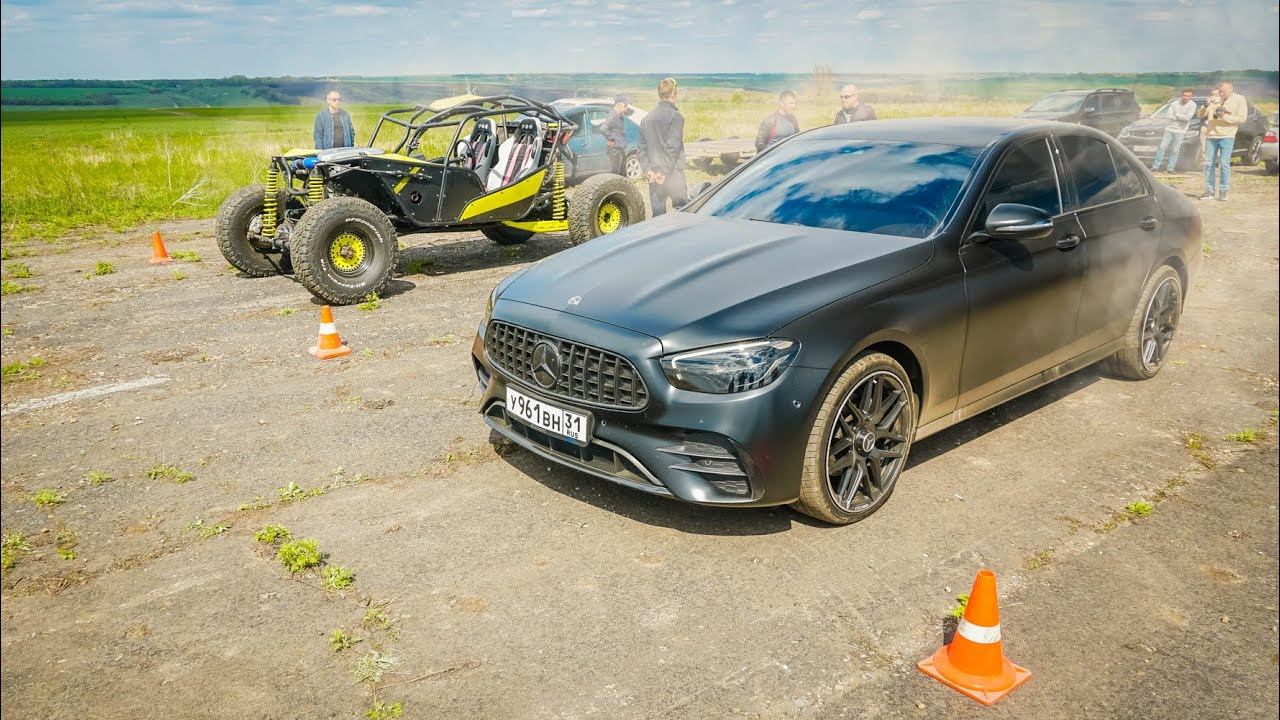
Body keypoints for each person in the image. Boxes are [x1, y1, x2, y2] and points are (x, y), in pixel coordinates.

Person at [638, 77, 688, 216]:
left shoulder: (646, 120)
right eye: (676, 93)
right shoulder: (676, 117)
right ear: (673, 94)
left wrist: (647, 170)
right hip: (672, 174)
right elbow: (673, 148)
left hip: (654, 175)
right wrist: (664, 172)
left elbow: (641, 149)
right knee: (683, 213)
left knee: (658, 217)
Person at [1198, 81, 1248, 201]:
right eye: (1220, 91)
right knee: (1209, 164)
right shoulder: (1215, 99)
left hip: (1227, 136)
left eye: (1223, 92)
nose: (1221, 93)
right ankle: (1209, 191)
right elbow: (1200, 115)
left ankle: (1223, 192)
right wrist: (1205, 105)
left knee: (1224, 164)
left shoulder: (1239, 99)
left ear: (1231, 89)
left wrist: (1224, 117)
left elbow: (1242, 118)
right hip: (1211, 136)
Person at [1152, 88, 1198, 173]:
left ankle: (1170, 168)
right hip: (1169, 128)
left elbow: (1187, 118)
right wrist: (1180, 117)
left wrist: (1176, 115)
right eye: (1184, 95)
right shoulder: (1174, 103)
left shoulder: (1193, 105)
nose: (1185, 97)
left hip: (1181, 130)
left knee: (1175, 150)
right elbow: (1168, 115)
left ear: (1191, 97)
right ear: (1182, 95)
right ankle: (1155, 166)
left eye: (1188, 96)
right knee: (1162, 147)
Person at [601, 94, 632, 176]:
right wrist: (612, 139)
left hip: (619, 149)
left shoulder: (619, 116)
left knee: (622, 173)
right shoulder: (613, 116)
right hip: (614, 151)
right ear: (618, 105)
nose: (626, 109)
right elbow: (603, 128)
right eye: (624, 106)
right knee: (616, 174)